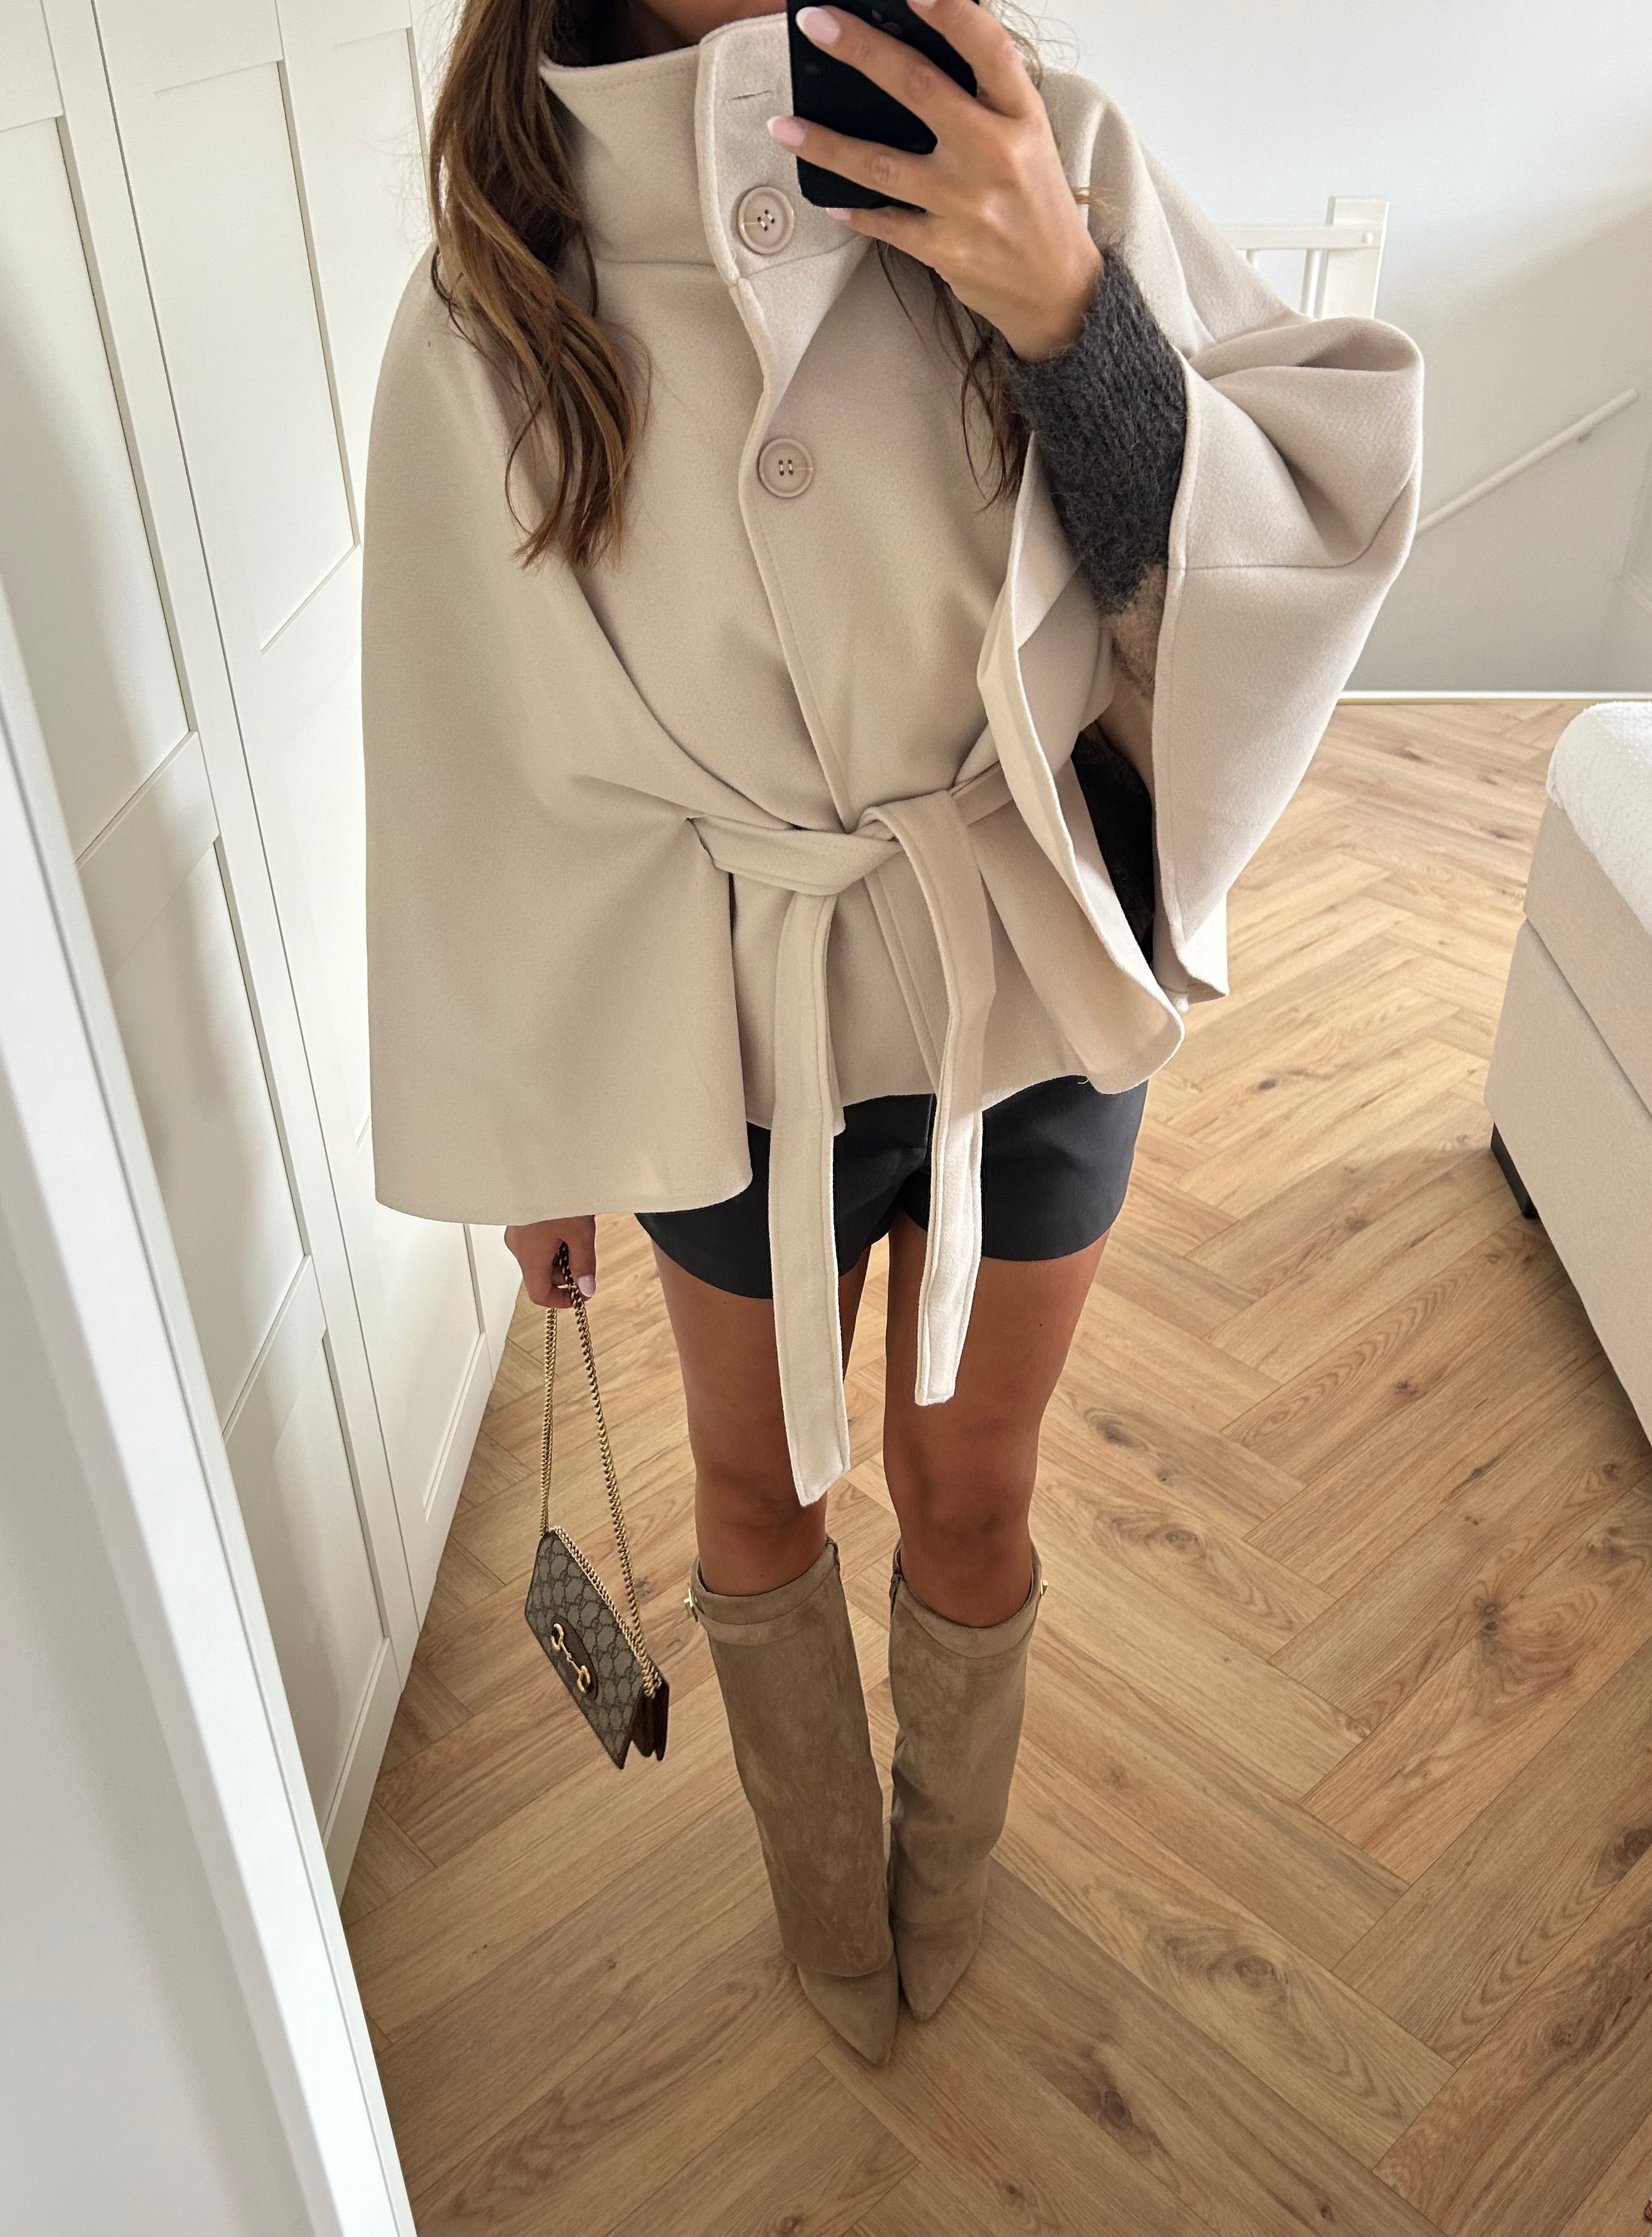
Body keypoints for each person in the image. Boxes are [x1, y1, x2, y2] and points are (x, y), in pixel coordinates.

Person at [362, 0, 1423, 2065]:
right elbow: (475, 764)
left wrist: (1073, 315)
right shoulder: (495, 283)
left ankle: (949, 1867)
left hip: (1023, 981)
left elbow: (1259, 566)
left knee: (972, 1488)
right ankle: (825, 1892)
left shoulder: (1049, 147)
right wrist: (536, 1141)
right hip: (713, 1013)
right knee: (755, 1497)